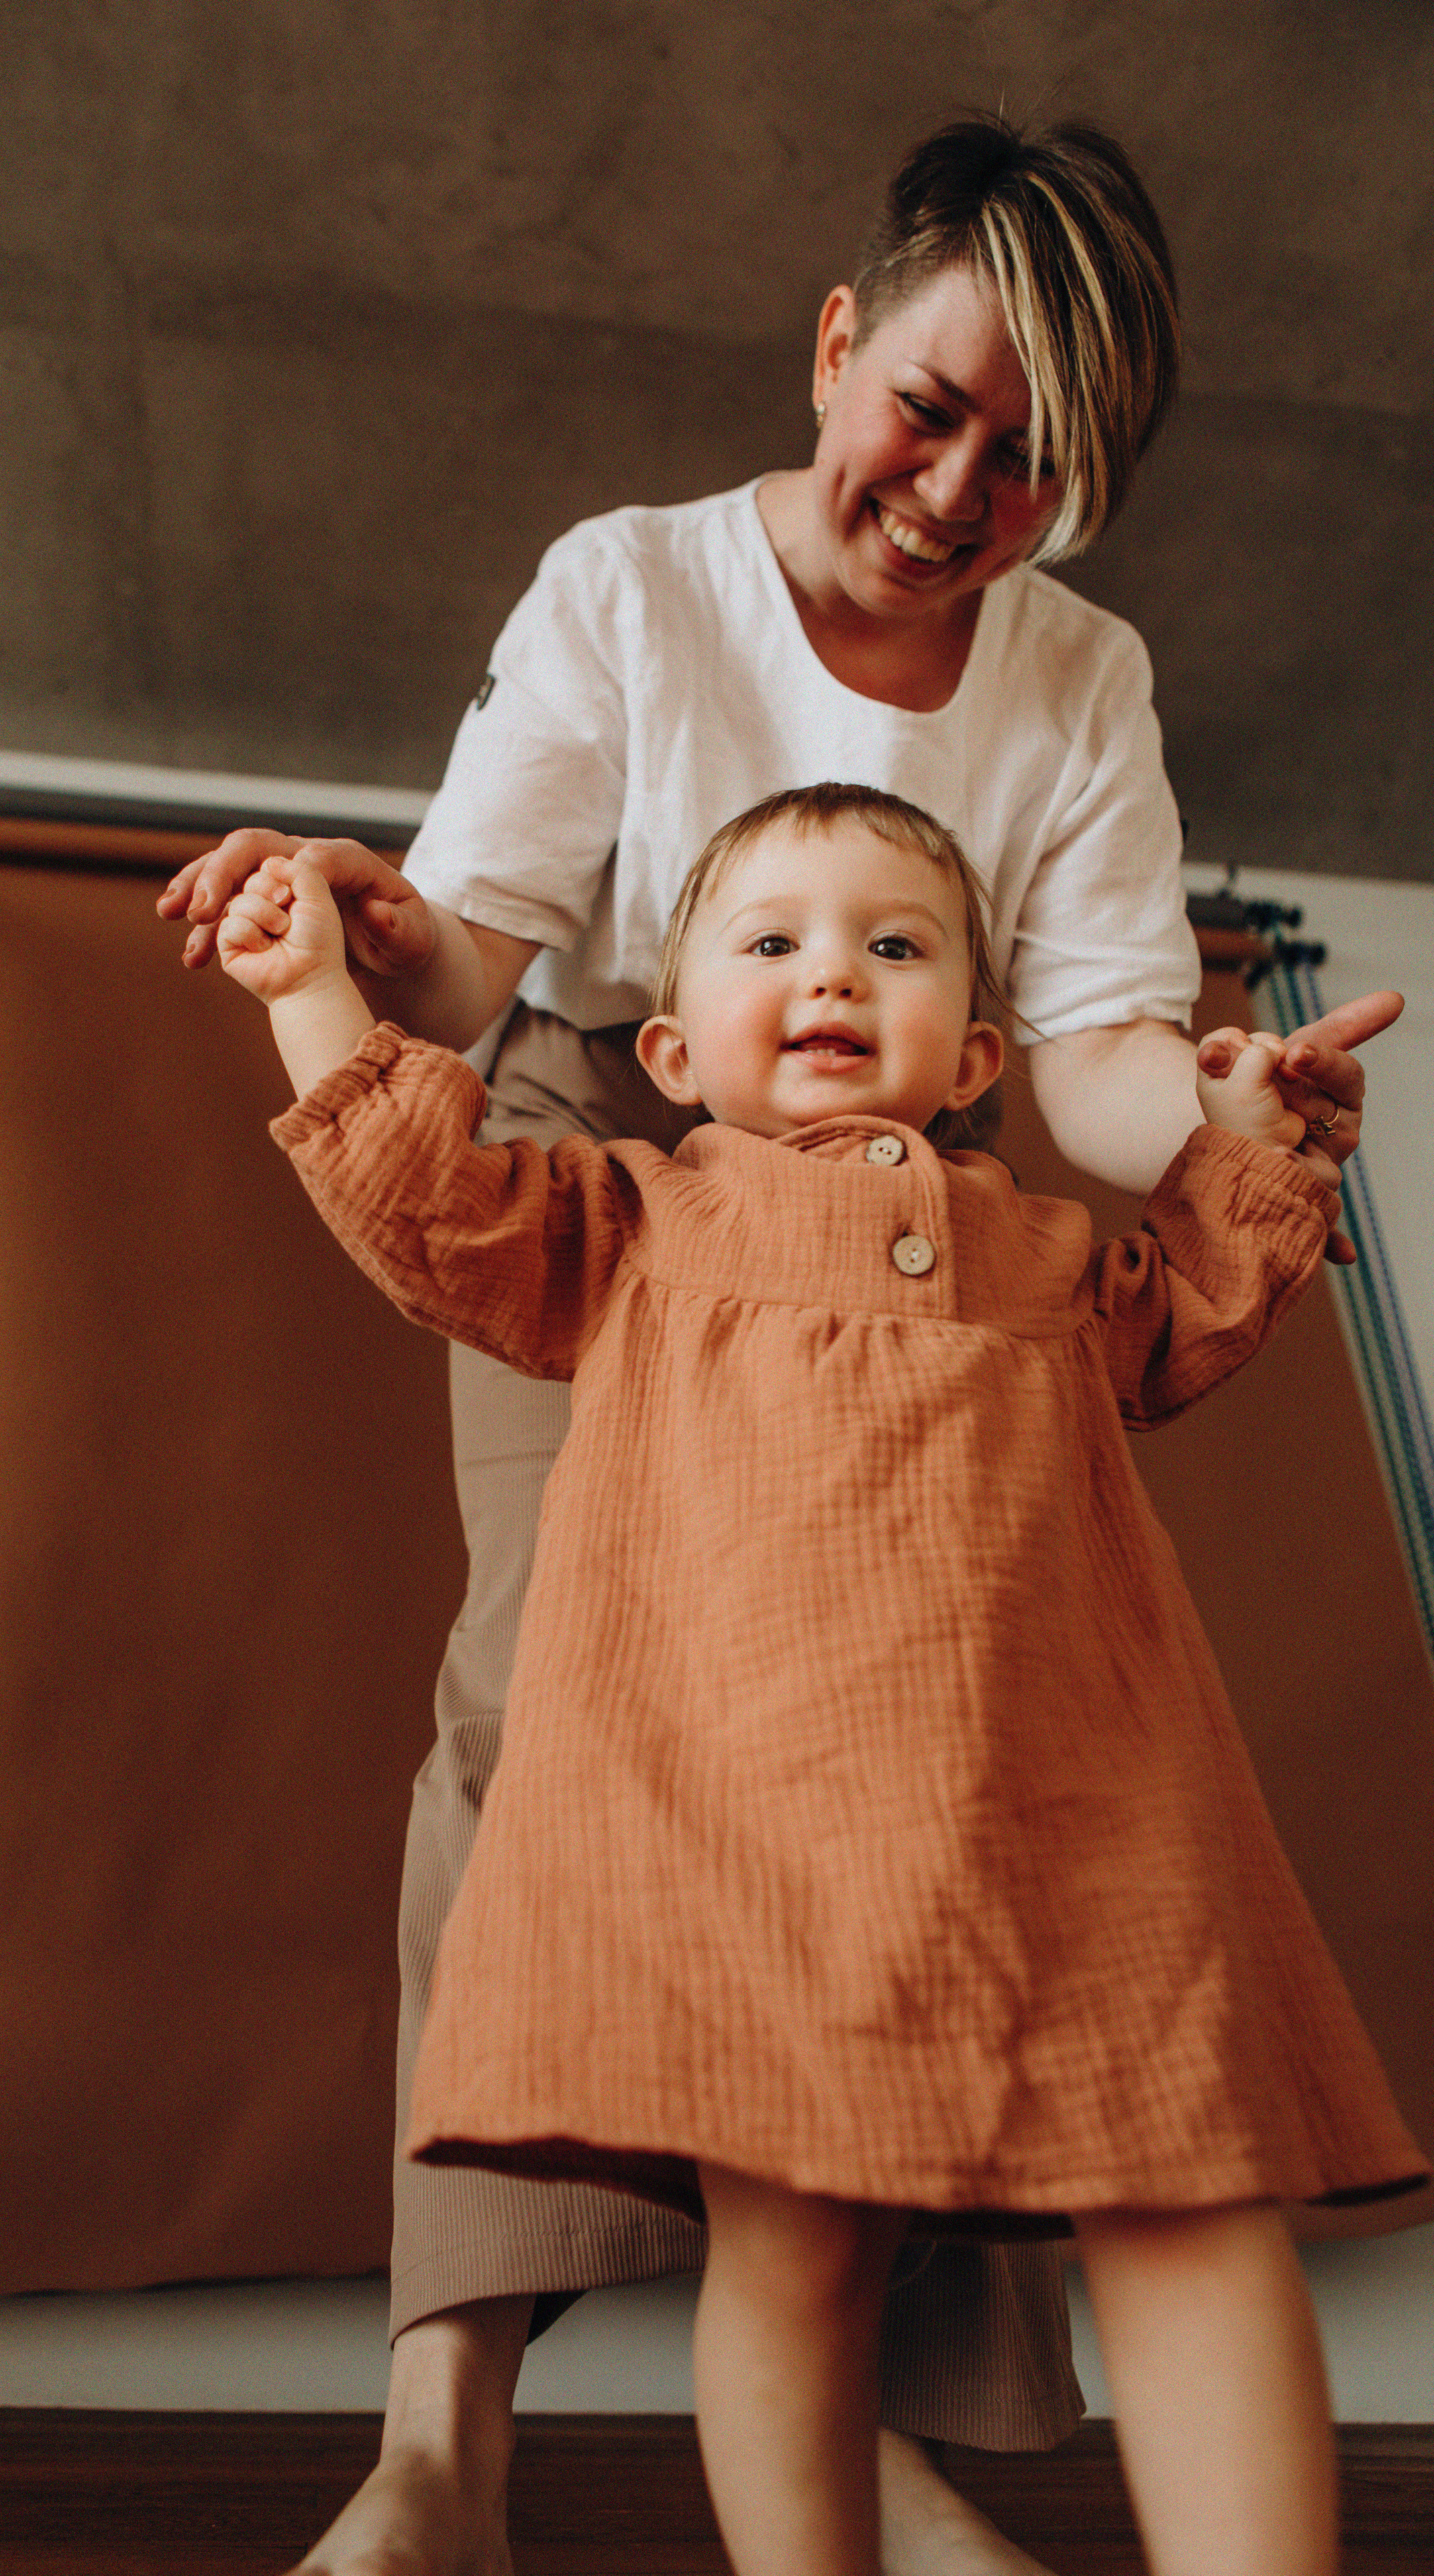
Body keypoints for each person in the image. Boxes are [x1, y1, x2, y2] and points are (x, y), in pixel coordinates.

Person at [160, 113, 1403, 2576]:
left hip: (929, 1205)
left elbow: (1112, 1063)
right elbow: (473, 967)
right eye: (929, 409)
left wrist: (1222, 1119)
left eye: (1038, 464)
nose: (959, 490)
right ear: (839, 342)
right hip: (616, 1139)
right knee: (556, 1708)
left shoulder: (1080, 687)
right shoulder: (632, 585)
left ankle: (852, 2414)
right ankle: (447, 2443)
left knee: (932, 1774)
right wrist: (333, 961)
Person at [215, 782, 1423, 2576]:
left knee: (1188, 2188)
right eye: (773, 942)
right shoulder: (623, 1221)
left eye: (896, 944)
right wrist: (308, 986)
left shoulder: (1042, 1250)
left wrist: (1250, 1137)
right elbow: (423, 1205)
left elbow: (1191, 1314)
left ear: (976, 1053)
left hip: (1076, 1801)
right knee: (799, 2242)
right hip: (757, 1810)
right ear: (679, 1050)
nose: (835, 972)